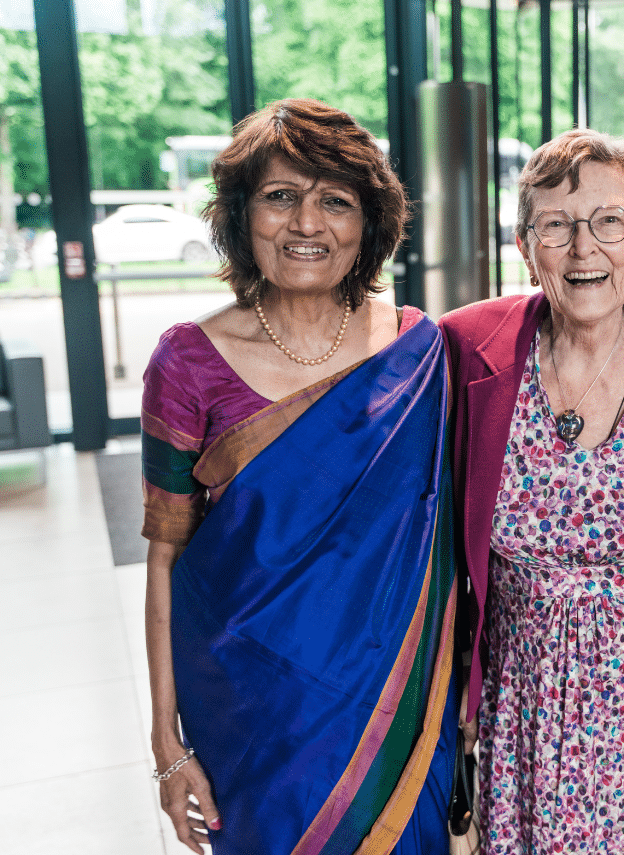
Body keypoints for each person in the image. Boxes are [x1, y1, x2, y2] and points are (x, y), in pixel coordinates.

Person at [141, 98, 458, 855]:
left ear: (370, 224)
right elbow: (165, 554)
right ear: (240, 215)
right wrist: (166, 745)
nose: (307, 224)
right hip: (253, 717)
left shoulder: (420, 353)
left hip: (400, 707)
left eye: (336, 202)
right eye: (280, 196)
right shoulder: (187, 362)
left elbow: (448, 548)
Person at [441, 128, 624, 854]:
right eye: (556, 226)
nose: (584, 249)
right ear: (523, 243)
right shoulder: (463, 346)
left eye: (609, 222)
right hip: (521, 708)